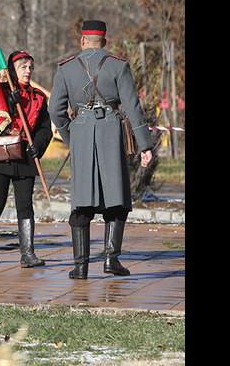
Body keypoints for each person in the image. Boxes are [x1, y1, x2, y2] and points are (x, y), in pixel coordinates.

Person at [48, 20, 154, 279]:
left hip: (81, 133)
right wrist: (145, 145)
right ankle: (111, 260)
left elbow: (55, 111)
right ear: (104, 41)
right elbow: (132, 107)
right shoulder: (119, 65)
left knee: (81, 201)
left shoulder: (67, 68)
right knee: (116, 197)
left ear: (82, 40)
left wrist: (71, 137)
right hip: (110, 133)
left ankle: (81, 266)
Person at [0, 50, 53, 267]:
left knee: (25, 205)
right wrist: (8, 103)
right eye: (23, 67)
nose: (28, 71)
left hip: (26, 157)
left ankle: (27, 254)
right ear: (12, 70)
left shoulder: (39, 97)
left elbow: (45, 128)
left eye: (30, 67)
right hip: (1, 154)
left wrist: (38, 144)